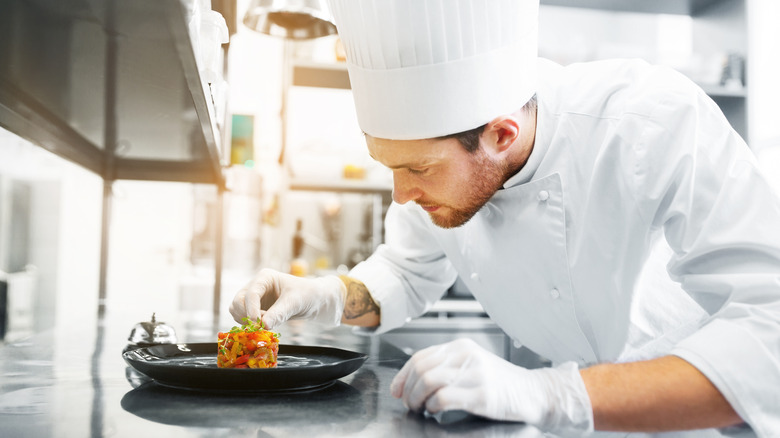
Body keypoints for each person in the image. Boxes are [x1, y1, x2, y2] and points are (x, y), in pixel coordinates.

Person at [230, 1, 780, 436]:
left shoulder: (650, 121)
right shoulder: (447, 163)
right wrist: (324, 295)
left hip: (709, 421)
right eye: (389, 167)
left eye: (417, 168)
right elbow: (405, 272)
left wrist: (547, 394)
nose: (401, 195)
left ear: (501, 134)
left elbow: (771, 337)